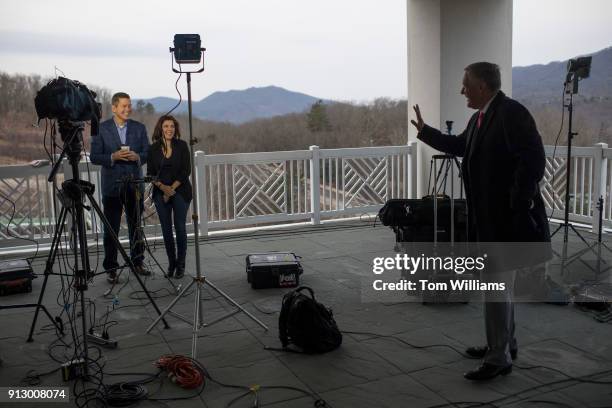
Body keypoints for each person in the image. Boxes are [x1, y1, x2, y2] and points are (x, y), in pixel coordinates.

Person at [411, 62, 551, 381]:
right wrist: (425, 131)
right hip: (489, 219)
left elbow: (533, 159)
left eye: (466, 84)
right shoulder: (480, 117)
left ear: (483, 87)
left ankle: (498, 357)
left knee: (496, 286)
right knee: (501, 286)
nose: (462, 90)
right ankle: (503, 344)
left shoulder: (511, 113)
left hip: (506, 220)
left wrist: (518, 200)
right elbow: (460, 146)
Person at [90, 92, 150, 283]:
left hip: (134, 185)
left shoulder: (139, 128)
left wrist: (138, 157)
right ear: (114, 107)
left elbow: (147, 152)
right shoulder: (101, 128)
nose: (127, 109)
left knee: (136, 226)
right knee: (111, 229)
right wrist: (112, 157)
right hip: (112, 187)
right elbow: (94, 157)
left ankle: (137, 262)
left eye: (129, 105)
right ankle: (111, 268)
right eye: (123, 106)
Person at [147, 115, 192, 279]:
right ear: (161, 128)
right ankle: (171, 264)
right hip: (160, 191)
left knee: (180, 227)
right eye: (166, 126)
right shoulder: (153, 149)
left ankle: (181, 264)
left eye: (172, 126)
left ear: (176, 129)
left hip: (180, 190)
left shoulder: (182, 146)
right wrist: (163, 188)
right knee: (166, 230)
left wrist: (171, 189)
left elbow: (186, 170)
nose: (169, 129)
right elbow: (150, 174)